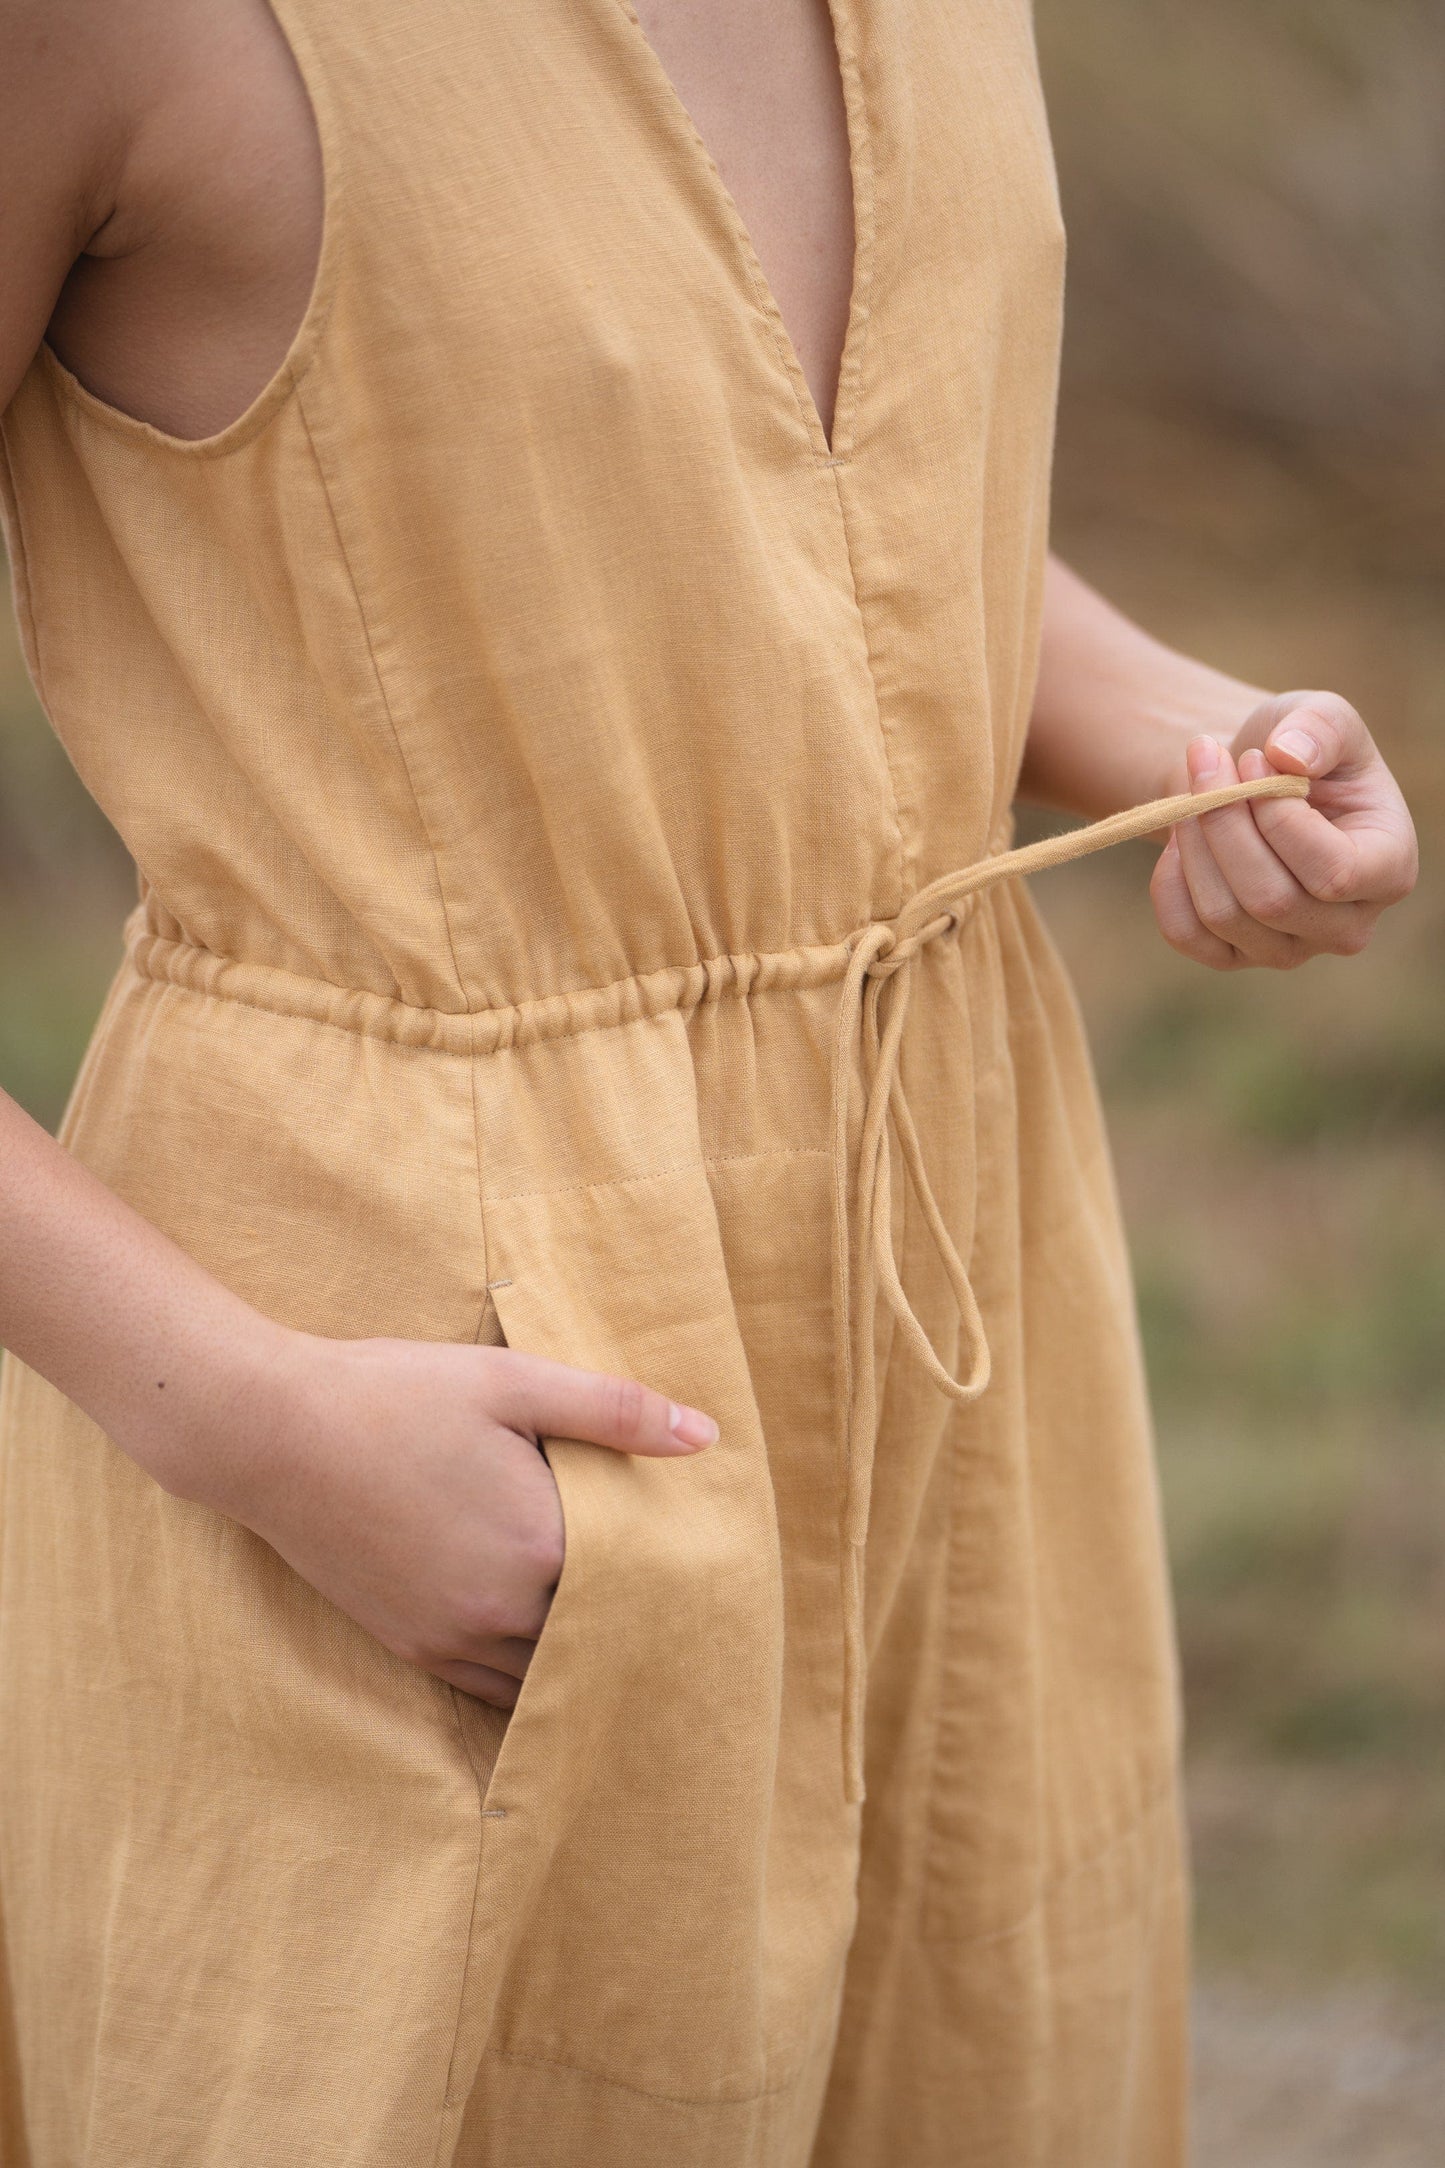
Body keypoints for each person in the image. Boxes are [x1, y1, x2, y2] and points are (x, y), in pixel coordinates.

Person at [0, 1, 1417, 2163]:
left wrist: (1188, 730)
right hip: (390, 1426)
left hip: (966, 1334)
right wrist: (256, 1419)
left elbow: (768, 487)